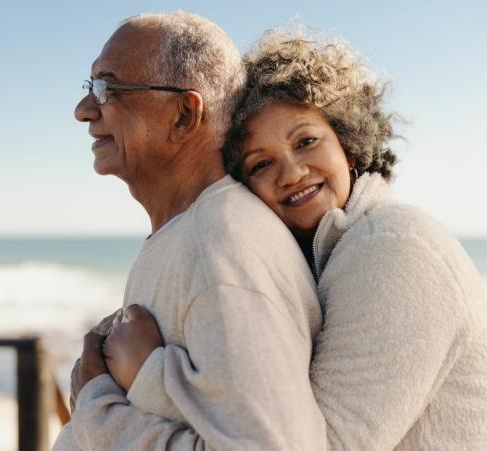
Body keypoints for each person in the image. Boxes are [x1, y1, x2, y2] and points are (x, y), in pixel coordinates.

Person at [107, 27, 487, 450]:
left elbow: (317, 444)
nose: (290, 173)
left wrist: (148, 375)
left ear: (348, 142)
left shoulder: (394, 249)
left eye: (306, 141)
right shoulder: (329, 254)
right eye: (261, 163)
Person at [52, 12, 327, 451]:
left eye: (107, 87)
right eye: (90, 88)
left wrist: (96, 408)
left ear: (183, 115)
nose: (84, 111)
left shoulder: (221, 244)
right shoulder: (195, 233)